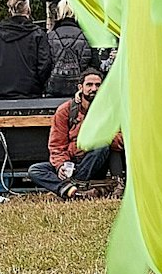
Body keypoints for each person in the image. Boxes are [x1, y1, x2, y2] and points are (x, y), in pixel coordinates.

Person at [27, 69, 123, 199]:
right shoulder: (65, 110)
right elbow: (56, 145)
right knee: (35, 170)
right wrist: (61, 165)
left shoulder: (110, 110)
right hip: (72, 163)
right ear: (80, 87)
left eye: (98, 85)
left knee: (102, 145)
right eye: (89, 85)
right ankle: (74, 191)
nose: (94, 89)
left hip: (96, 162)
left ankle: (71, 188)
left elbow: (121, 142)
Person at [0, 0, 52, 101]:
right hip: (29, 92)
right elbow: (45, 64)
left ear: (10, 10)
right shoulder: (37, 33)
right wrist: (36, 82)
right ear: (28, 9)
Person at [45, 0, 102, 98]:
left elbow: (45, 64)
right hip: (79, 89)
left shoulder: (50, 36)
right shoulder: (87, 36)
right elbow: (94, 64)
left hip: (54, 88)